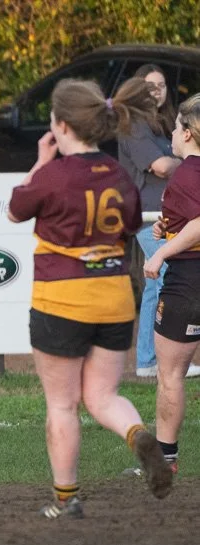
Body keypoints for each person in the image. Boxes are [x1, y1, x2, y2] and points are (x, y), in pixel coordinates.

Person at [6, 78, 175, 519]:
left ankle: (67, 500)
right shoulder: (119, 175)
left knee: (62, 405)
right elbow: (131, 224)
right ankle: (139, 434)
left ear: (60, 125)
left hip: (61, 300)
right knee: (102, 397)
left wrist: (41, 163)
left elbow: (14, 210)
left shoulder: (53, 176)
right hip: (114, 297)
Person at [117, 67, 200, 379]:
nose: (157, 91)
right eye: (150, 86)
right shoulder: (133, 126)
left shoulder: (162, 124)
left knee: (157, 282)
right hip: (147, 213)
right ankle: (157, 358)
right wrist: (191, 159)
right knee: (164, 276)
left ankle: (151, 360)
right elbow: (162, 166)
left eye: (162, 85)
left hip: (165, 217)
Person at [141, 93, 200, 477]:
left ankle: (165, 460)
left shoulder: (189, 172)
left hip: (190, 281)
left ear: (190, 134)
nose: (173, 135)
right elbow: (187, 222)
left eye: (177, 128)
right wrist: (167, 228)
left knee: (170, 374)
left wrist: (160, 254)